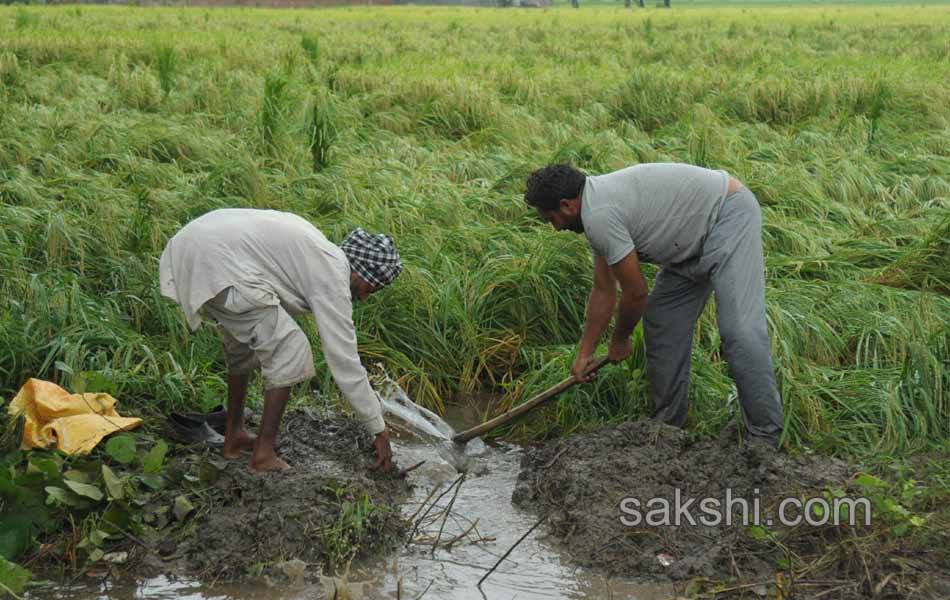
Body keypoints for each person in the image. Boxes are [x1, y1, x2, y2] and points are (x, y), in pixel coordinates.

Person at [523, 163, 784, 447]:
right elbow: (603, 290)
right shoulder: (594, 209)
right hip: (687, 240)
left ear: (567, 205)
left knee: (739, 331)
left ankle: (765, 437)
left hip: (726, 214)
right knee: (662, 318)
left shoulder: (599, 214)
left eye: (551, 219)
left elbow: (635, 293)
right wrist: (585, 353)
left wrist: (620, 340)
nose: (556, 228)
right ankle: (669, 430)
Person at [159, 209, 403, 472]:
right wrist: (378, 429)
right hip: (216, 259)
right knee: (292, 351)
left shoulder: (318, 252)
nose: (365, 297)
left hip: (197, 247)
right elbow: (344, 359)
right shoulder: (332, 274)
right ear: (360, 272)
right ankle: (263, 455)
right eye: (371, 288)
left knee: (243, 348)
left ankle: (235, 437)